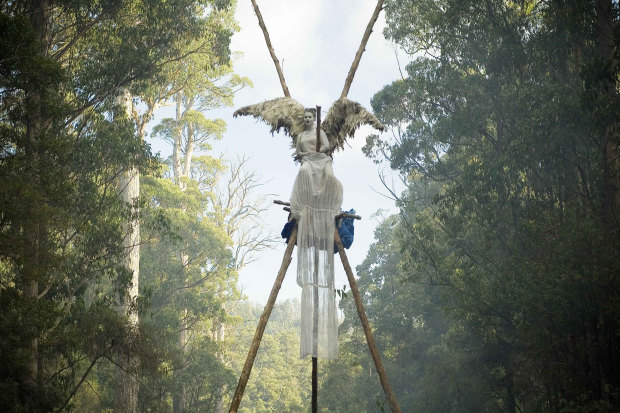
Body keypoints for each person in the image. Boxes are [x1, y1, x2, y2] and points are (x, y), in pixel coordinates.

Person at [290, 108, 343, 360]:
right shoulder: (300, 137)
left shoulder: (320, 132)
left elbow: (327, 147)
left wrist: (319, 153)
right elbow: (300, 154)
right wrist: (307, 154)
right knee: (302, 173)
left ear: (316, 119)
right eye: (307, 118)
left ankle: (328, 200)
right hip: (307, 163)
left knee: (332, 180)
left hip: (321, 161)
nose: (310, 121)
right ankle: (306, 200)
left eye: (312, 117)